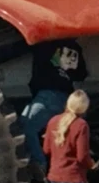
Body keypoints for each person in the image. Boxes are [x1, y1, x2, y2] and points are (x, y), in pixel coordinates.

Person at [22, 39, 88, 174]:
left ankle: (40, 165)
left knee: (26, 125)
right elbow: (81, 74)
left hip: (47, 95)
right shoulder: (74, 47)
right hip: (67, 98)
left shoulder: (43, 42)